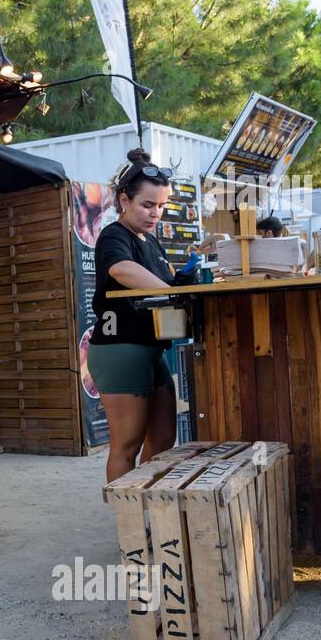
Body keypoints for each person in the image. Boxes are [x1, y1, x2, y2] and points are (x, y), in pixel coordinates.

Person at [88, 148, 197, 482]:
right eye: (147, 205)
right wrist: (173, 292)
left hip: (152, 348)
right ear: (124, 200)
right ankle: (129, 524)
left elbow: (167, 282)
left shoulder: (150, 241)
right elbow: (121, 269)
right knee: (126, 444)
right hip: (120, 347)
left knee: (164, 438)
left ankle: (148, 508)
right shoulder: (114, 235)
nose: (156, 213)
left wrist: (191, 274)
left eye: (161, 205)